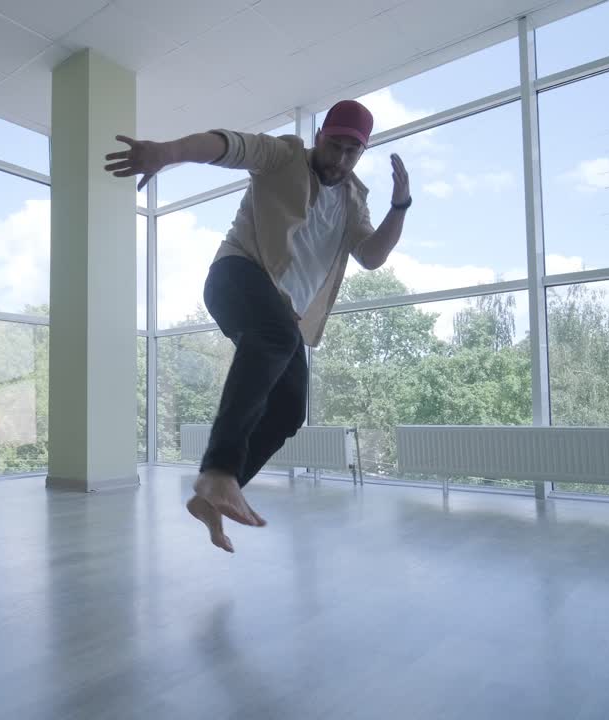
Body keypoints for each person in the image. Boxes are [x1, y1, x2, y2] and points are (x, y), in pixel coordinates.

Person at [104, 100, 411, 552]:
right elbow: (228, 144)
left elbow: (371, 256)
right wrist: (167, 153)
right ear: (320, 136)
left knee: (289, 411)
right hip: (236, 275)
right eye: (335, 145)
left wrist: (400, 205)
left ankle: (214, 496)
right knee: (276, 335)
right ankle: (219, 470)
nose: (340, 159)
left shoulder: (353, 200)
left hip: (284, 314)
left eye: (352, 152)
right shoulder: (283, 156)